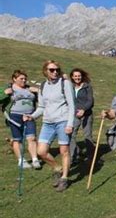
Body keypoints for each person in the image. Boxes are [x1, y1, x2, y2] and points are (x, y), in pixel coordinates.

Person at [24, 60, 75, 192]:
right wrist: (32, 116)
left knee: (64, 151)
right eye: (51, 70)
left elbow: (72, 105)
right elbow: (41, 107)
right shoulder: (43, 86)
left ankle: (64, 178)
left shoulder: (65, 84)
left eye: (57, 69)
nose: (55, 72)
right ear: (45, 71)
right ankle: (57, 168)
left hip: (63, 120)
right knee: (41, 151)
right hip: (47, 122)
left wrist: (70, 124)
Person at [4, 70, 41, 169]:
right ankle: (21, 160)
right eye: (21, 79)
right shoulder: (10, 88)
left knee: (32, 137)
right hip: (15, 116)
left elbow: (43, 99)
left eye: (25, 79)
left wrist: (38, 91)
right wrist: (4, 93)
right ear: (14, 79)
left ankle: (35, 159)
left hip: (29, 116)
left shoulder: (30, 89)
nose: (24, 80)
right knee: (18, 139)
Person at [69, 68, 95, 166]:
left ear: (82, 76)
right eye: (75, 76)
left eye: (79, 76)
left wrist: (84, 109)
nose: (77, 78)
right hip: (75, 114)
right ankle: (74, 155)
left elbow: (90, 101)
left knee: (87, 136)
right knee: (71, 135)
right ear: (72, 77)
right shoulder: (70, 86)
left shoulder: (87, 87)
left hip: (86, 114)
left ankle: (91, 158)